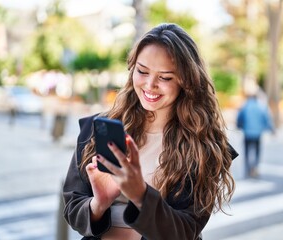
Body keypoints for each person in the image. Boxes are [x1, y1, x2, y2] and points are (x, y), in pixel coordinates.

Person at [62, 23, 238, 240]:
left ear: (187, 80)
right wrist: (99, 203)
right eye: (142, 71)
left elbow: (186, 231)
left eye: (165, 77)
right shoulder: (98, 128)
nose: (150, 84)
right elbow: (72, 207)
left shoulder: (204, 146)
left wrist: (140, 195)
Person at [236, 85, 273, 178]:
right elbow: (266, 119)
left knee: (247, 151)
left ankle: (248, 168)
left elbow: (239, 119)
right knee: (257, 151)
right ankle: (255, 167)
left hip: (247, 133)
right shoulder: (261, 106)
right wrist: (271, 129)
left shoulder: (245, 106)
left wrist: (239, 126)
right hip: (257, 133)